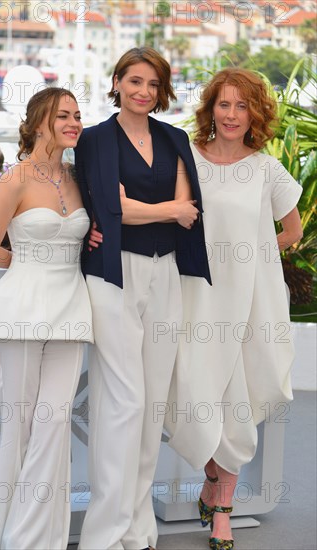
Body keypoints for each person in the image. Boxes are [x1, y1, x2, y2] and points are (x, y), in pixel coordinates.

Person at [74, 46, 211, 550]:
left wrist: (149, 209)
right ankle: (105, 535)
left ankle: (138, 529)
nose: (143, 92)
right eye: (134, 81)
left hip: (166, 275)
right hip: (114, 275)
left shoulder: (174, 138)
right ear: (116, 82)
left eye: (153, 85)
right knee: (124, 401)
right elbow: (113, 208)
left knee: (152, 403)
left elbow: (188, 209)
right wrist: (162, 210)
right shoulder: (93, 140)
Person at [165, 68, 303, 550]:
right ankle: (210, 479)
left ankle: (223, 510)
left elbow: (292, 231)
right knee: (191, 398)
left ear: (255, 114)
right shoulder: (187, 161)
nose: (231, 114)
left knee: (237, 406)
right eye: (223, 105)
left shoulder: (267, 169)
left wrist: (258, 260)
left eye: (241, 106)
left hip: (249, 306)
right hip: (194, 301)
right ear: (211, 110)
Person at [0, 87, 93, 550]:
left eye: (78, 115)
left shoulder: (79, 176)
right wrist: (30, 263)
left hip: (72, 312)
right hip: (20, 313)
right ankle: (9, 540)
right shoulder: (15, 178)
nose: (74, 122)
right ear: (39, 121)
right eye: (64, 115)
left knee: (54, 423)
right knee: (20, 427)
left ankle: (38, 539)